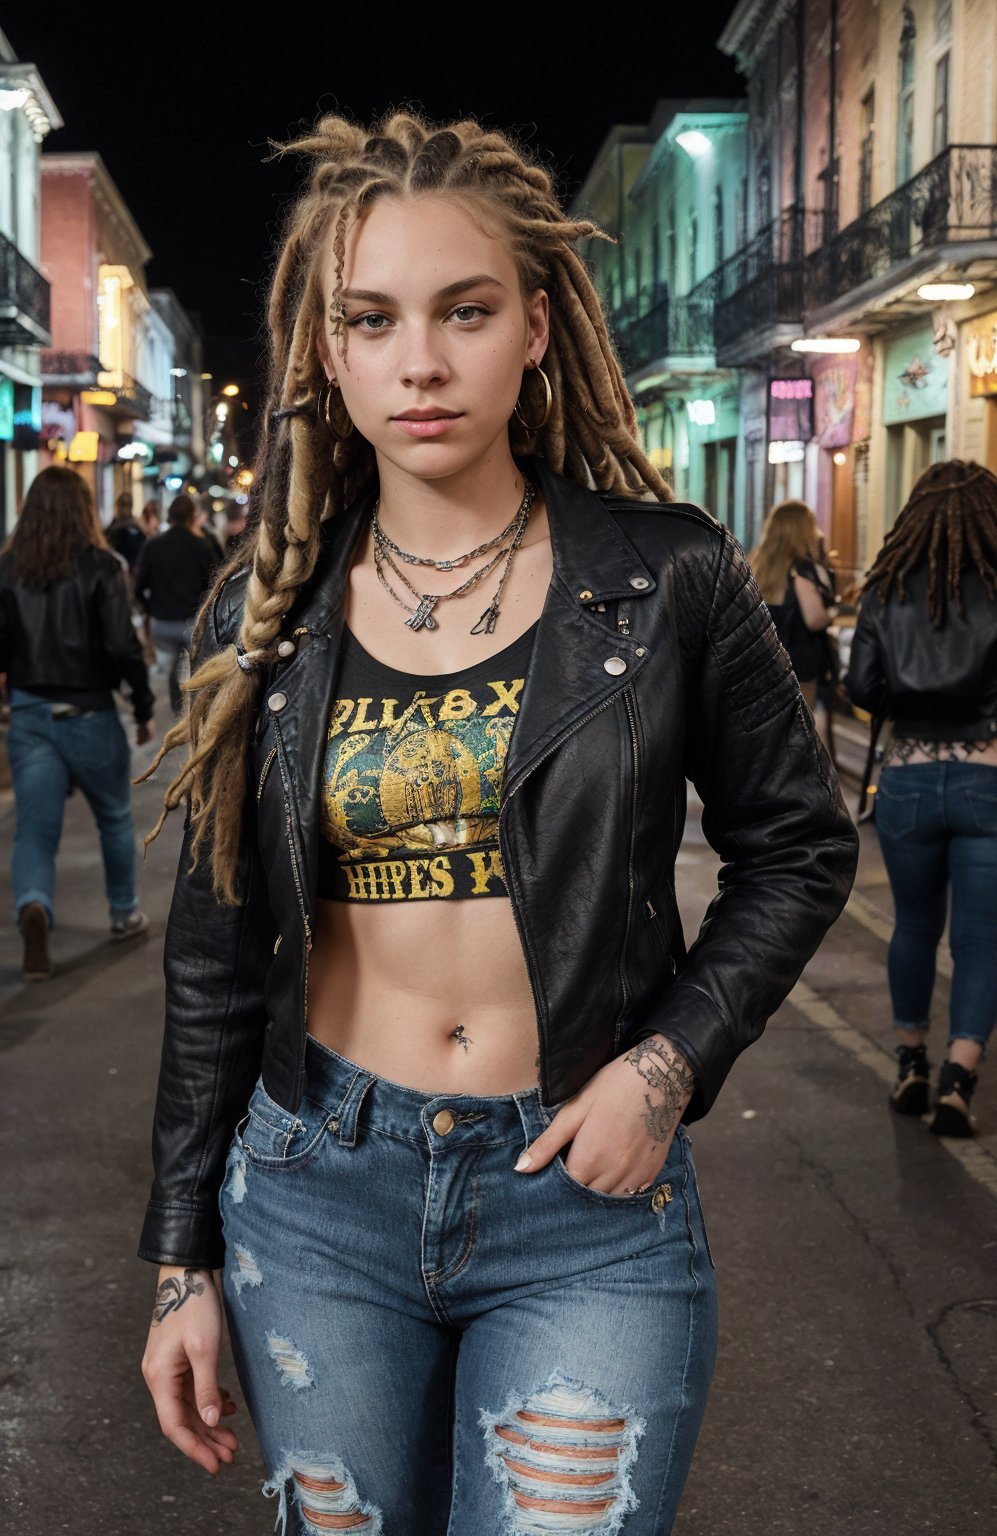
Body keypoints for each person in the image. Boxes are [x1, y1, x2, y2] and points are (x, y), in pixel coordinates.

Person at [138, 111, 858, 1531]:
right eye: (374, 319)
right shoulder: (266, 616)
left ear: (534, 327)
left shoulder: (668, 580)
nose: (419, 361)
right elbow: (215, 954)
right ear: (327, 352)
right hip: (313, 1192)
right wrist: (179, 1263)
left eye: (463, 312)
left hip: (581, 1206)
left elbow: (801, 842)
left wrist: (668, 1067)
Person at [846, 459, 997, 1138]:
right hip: (995, 781)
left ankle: (911, 1062)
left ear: (914, 517)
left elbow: (863, 688)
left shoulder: (885, 591)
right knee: (981, 940)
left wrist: (911, 706)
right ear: (995, 520)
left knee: (915, 927)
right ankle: (959, 1077)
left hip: (909, 776)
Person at [0, 466, 154, 980]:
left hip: (28, 712)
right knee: (113, 817)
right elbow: (121, 646)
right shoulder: (102, 569)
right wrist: (143, 700)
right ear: (84, 511)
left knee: (36, 830)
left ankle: (35, 904)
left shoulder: (7, 569)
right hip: (89, 710)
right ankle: (124, 912)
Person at [749, 499, 836, 711]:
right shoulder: (803, 570)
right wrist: (833, 612)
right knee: (802, 724)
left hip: (761, 660)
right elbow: (814, 619)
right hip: (800, 662)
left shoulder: (756, 564)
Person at [134, 494, 218, 713]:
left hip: (162, 622)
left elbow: (138, 586)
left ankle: (177, 709)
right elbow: (216, 583)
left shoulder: (153, 546)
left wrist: (149, 608)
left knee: (172, 668)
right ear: (192, 517)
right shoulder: (201, 546)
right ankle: (197, 710)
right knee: (197, 666)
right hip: (193, 620)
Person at [107, 490, 148, 577]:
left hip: (125, 571)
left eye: (127, 504)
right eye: (124, 504)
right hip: (123, 571)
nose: (126, 508)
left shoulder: (114, 527)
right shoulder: (137, 526)